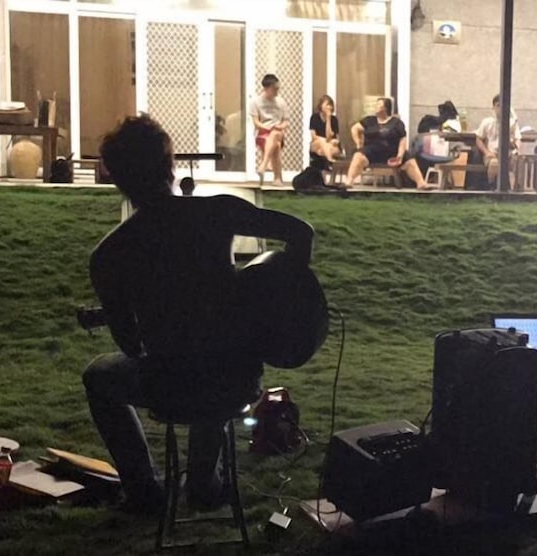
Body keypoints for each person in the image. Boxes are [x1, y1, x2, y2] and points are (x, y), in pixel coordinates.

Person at [82, 115, 313, 514]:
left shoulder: (109, 254)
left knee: (100, 376)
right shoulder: (218, 212)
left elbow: (131, 345)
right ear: (169, 164)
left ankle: (144, 490)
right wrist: (282, 296)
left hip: (170, 384)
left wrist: (151, 314)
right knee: (216, 355)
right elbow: (301, 232)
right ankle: (204, 483)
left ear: (117, 178)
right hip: (238, 378)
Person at [346, 97, 431, 189]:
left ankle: (421, 183)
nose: (375, 106)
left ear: (385, 108)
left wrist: (399, 156)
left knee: (409, 159)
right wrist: (358, 143)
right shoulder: (369, 120)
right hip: (372, 152)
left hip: (391, 152)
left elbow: (402, 139)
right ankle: (349, 182)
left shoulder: (396, 123)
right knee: (358, 156)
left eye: (378, 104)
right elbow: (355, 129)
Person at [249, 74, 289, 186]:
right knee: (276, 144)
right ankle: (277, 178)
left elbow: (286, 122)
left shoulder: (281, 102)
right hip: (263, 132)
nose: (276, 91)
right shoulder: (255, 102)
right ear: (266, 88)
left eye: (278, 89)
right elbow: (256, 122)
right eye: (274, 89)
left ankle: (264, 165)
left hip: (278, 131)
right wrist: (266, 127)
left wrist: (280, 126)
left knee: (276, 134)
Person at [475, 94, 520, 187]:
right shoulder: (487, 122)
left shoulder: (512, 123)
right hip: (492, 155)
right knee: (494, 164)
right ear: (493, 107)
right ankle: (492, 188)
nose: (501, 108)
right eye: (498, 105)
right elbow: (479, 139)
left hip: (509, 155)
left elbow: (518, 139)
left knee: (519, 163)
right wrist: (486, 152)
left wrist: (516, 148)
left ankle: (516, 189)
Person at [309, 94, 342, 165]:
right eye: (327, 104)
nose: (329, 107)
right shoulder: (314, 117)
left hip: (330, 145)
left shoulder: (334, 119)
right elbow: (313, 136)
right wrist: (324, 140)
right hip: (317, 143)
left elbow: (330, 137)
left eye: (330, 105)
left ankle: (328, 163)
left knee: (324, 150)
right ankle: (329, 160)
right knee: (322, 142)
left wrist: (328, 119)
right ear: (321, 105)